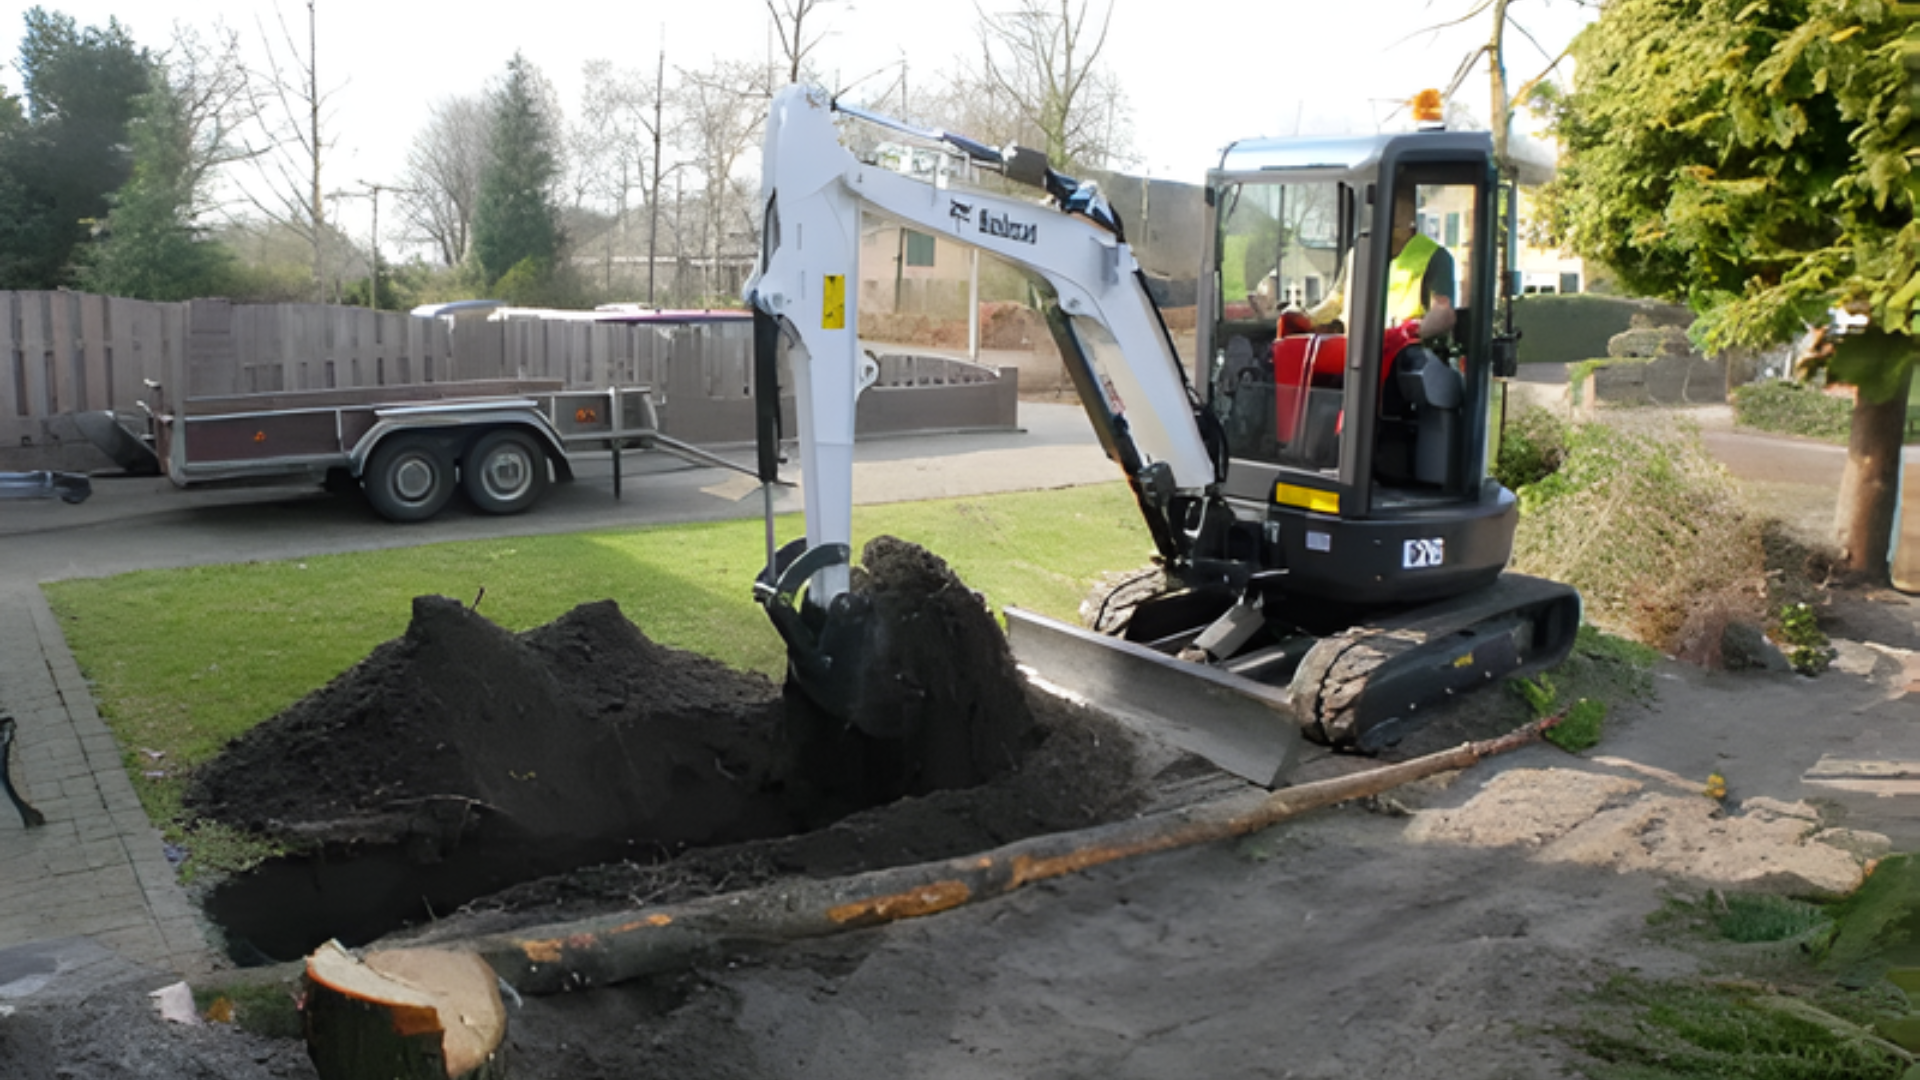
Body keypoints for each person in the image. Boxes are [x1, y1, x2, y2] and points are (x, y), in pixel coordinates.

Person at [1305, 184, 1456, 339]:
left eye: (1394, 213)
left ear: (1409, 217)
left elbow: (1442, 312)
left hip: (1407, 350)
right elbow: (1334, 304)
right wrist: (1306, 320)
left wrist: (1411, 332)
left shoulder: (1434, 256)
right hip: (1358, 349)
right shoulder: (1358, 254)